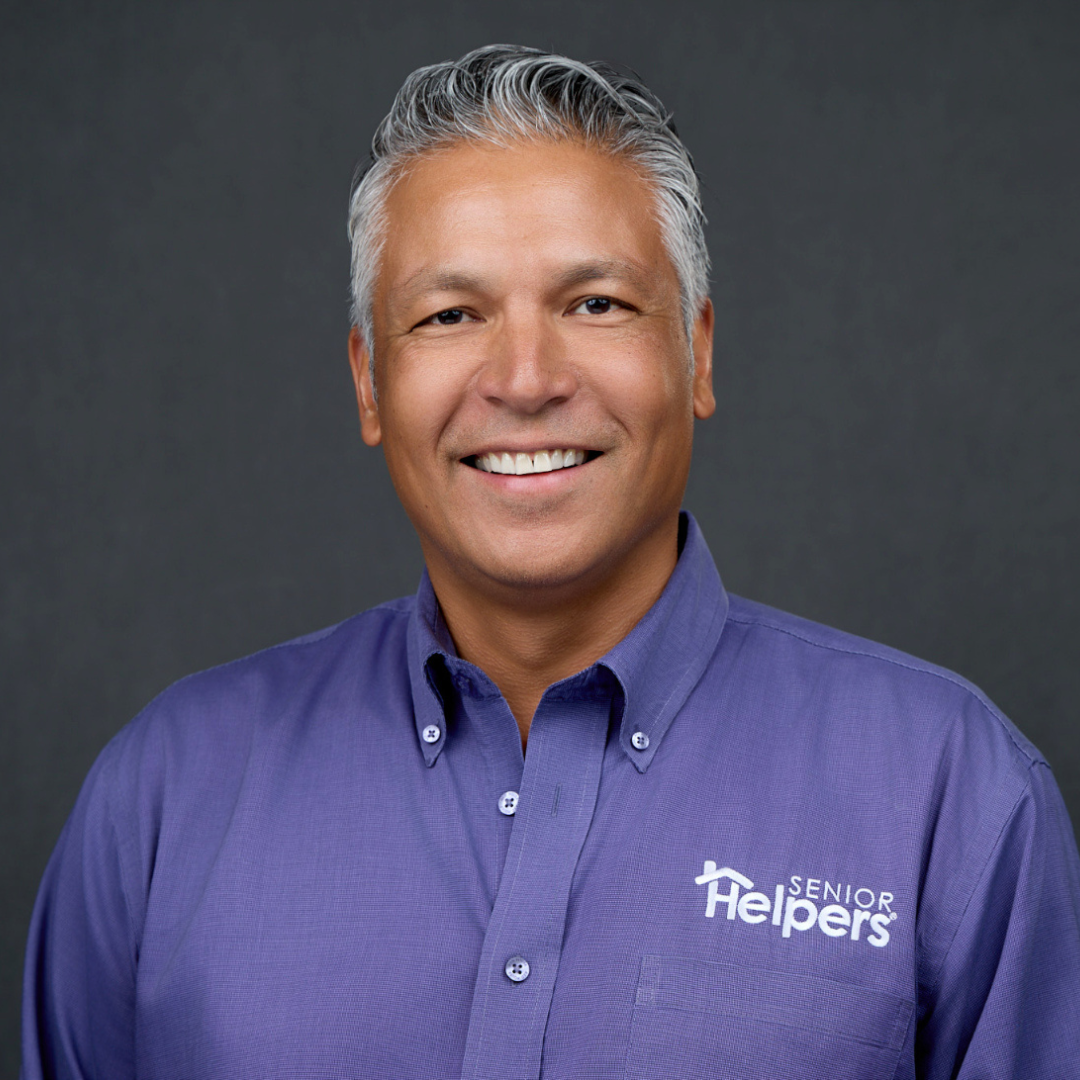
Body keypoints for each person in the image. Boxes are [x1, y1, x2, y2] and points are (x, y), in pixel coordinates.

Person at [21, 44, 1080, 1080]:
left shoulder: (955, 797)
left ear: (697, 353)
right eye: (450, 315)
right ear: (369, 384)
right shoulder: (162, 800)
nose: (525, 380)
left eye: (596, 304)